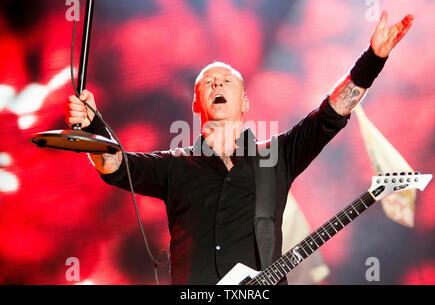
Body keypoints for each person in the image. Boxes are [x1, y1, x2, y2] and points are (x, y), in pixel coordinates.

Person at [65, 11, 414, 285]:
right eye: (208, 83)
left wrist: (373, 59)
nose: (217, 83)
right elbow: (115, 167)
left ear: (244, 103)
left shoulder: (276, 158)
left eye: (227, 80)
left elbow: (330, 114)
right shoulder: (174, 166)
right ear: (196, 105)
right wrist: (94, 124)